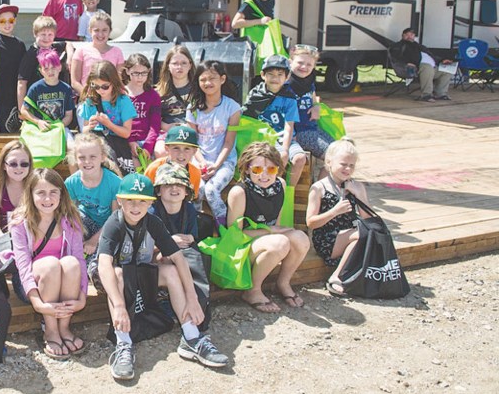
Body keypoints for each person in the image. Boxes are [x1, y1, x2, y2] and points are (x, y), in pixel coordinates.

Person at [96, 173, 205, 381]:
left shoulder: (152, 222)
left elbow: (179, 259)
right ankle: (123, 344)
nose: (136, 206)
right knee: (118, 274)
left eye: (142, 201)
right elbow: (104, 265)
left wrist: (192, 298)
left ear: (150, 204)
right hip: (114, 277)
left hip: (140, 270)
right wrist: (119, 306)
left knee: (171, 270)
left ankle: (191, 336)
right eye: (130, 200)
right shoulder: (114, 223)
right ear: (120, 200)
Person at [149, 164, 228, 368]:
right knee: (186, 260)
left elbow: (191, 237)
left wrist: (188, 238)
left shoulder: (189, 210)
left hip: (181, 257)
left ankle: (194, 320)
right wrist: (168, 241)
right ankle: (195, 323)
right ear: (158, 190)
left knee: (195, 258)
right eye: (168, 185)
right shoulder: (152, 211)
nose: (174, 189)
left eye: (179, 185)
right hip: (156, 259)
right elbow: (146, 247)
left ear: (186, 191)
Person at [9, 168, 88, 359]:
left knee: (70, 262)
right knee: (51, 263)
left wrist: (83, 296)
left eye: (53, 192)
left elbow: (80, 259)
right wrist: (37, 302)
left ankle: (64, 327)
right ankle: (50, 329)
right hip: (31, 285)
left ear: (61, 194)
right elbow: (23, 265)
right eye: (41, 193)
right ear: (31, 194)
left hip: (63, 281)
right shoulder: (21, 223)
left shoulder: (70, 220)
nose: (47, 198)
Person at [226, 142, 311, 313]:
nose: (264, 175)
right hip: (242, 246)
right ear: (247, 169)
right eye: (257, 169)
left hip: (268, 240)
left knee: (301, 238)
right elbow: (234, 235)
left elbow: (276, 220)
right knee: (279, 242)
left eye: (271, 169)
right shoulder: (239, 192)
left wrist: (275, 231)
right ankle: (253, 290)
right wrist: (271, 231)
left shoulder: (280, 185)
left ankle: (283, 282)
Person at [306, 138, 372, 297]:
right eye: (343, 164)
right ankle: (336, 276)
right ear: (329, 162)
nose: (347, 169)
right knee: (361, 235)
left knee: (367, 233)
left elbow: (368, 218)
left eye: (352, 166)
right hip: (327, 239)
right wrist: (334, 211)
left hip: (350, 234)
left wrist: (360, 194)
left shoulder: (355, 186)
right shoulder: (319, 188)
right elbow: (310, 223)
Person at [186, 60, 241, 225]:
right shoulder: (193, 108)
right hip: (199, 160)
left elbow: (229, 142)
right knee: (198, 189)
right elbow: (192, 142)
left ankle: (224, 228)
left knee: (211, 191)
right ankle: (194, 227)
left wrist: (216, 166)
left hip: (224, 161)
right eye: (203, 79)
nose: (207, 83)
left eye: (212, 78)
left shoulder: (233, 107)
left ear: (222, 79)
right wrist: (202, 163)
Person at [243, 54, 307, 186]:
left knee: (300, 158)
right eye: (270, 74)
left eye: (279, 74)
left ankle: (288, 191)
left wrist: (285, 148)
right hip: (261, 139)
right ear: (262, 75)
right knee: (269, 159)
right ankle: (271, 188)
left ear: (287, 77)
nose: (275, 78)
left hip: (283, 138)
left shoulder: (289, 98)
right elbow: (246, 119)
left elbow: (289, 126)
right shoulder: (256, 95)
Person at [65, 131, 122, 255]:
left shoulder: (114, 183)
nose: (87, 162)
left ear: (102, 157)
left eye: (92, 157)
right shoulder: (71, 182)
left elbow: (115, 218)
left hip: (107, 226)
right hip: (84, 222)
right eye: (82, 157)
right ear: (75, 158)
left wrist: (94, 241)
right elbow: (66, 212)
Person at [78, 60, 136, 173]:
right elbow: (84, 131)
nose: (100, 90)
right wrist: (90, 125)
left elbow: (126, 133)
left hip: (116, 146)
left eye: (105, 86)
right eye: (96, 86)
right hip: (95, 145)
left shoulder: (123, 101)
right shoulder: (90, 101)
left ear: (113, 82)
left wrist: (108, 124)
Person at [0, 4, 27, 132]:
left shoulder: (20, 45)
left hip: (16, 97)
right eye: (2, 21)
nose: (7, 24)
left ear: (15, 21)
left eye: (11, 21)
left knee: (14, 132)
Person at [0, 139, 34, 240]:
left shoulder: (35, 186)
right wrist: (7, 241)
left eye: (24, 164)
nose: (19, 168)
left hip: (31, 238)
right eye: (13, 164)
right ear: (4, 165)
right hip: (5, 238)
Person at [17, 15, 69, 110]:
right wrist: (22, 109)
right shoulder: (30, 55)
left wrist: (70, 58)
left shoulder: (55, 47)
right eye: (43, 34)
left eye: (50, 35)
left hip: (54, 99)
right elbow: (21, 82)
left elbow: (68, 44)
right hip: (36, 99)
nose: (47, 38)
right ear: (35, 34)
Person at [388, 27, 454, 102]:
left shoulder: (419, 46)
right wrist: (406, 63)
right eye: (407, 35)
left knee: (447, 70)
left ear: (414, 36)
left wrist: (442, 60)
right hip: (414, 68)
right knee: (427, 67)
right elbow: (395, 57)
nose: (409, 36)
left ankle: (440, 94)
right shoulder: (399, 46)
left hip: (432, 68)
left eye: (411, 35)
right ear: (403, 36)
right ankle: (426, 95)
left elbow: (432, 55)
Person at [155, 45, 196, 157]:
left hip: (193, 131)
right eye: (175, 63)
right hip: (168, 132)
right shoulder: (159, 92)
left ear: (190, 65)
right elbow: (153, 117)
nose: (179, 67)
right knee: (161, 151)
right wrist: (166, 127)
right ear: (168, 66)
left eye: (183, 63)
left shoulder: (198, 89)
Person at [20, 48, 75, 132]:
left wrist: (59, 126)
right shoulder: (35, 88)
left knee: (71, 145)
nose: (50, 71)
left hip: (60, 128)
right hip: (39, 128)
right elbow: (24, 110)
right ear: (41, 71)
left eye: (53, 67)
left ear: (60, 67)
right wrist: (38, 122)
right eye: (46, 69)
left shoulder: (66, 89)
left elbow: (69, 115)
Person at [69, 11, 124, 95]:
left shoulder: (117, 52)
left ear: (110, 31)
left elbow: (119, 81)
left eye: (104, 30)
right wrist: (88, 97)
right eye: (96, 30)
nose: (100, 34)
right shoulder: (81, 51)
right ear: (90, 31)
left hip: (110, 101)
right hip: (88, 101)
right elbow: (75, 82)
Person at [144, 124, 202, 199]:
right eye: (176, 148)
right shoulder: (154, 168)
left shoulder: (195, 172)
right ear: (167, 148)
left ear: (194, 151)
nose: (181, 153)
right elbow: (145, 195)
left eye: (187, 149)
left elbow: (192, 198)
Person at [122, 53, 161, 163]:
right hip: (125, 140)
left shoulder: (153, 95)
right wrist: (130, 142)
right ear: (128, 71)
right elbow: (118, 121)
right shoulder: (121, 94)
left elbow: (155, 125)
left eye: (144, 73)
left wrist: (148, 147)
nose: (140, 77)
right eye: (136, 73)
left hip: (146, 141)